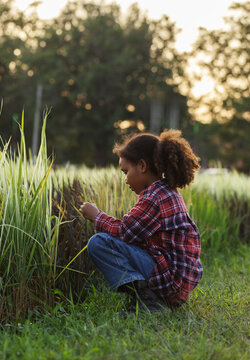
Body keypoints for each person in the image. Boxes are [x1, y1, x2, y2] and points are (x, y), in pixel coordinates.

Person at [80, 129, 203, 313]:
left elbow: (124, 232)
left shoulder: (153, 196)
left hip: (170, 281)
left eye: (126, 171)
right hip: (179, 283)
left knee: (98, 243)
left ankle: (149, 301)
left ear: (143, 166)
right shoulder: (167, 191)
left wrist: (96, 216)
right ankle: (151, 299)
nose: (125, 180)